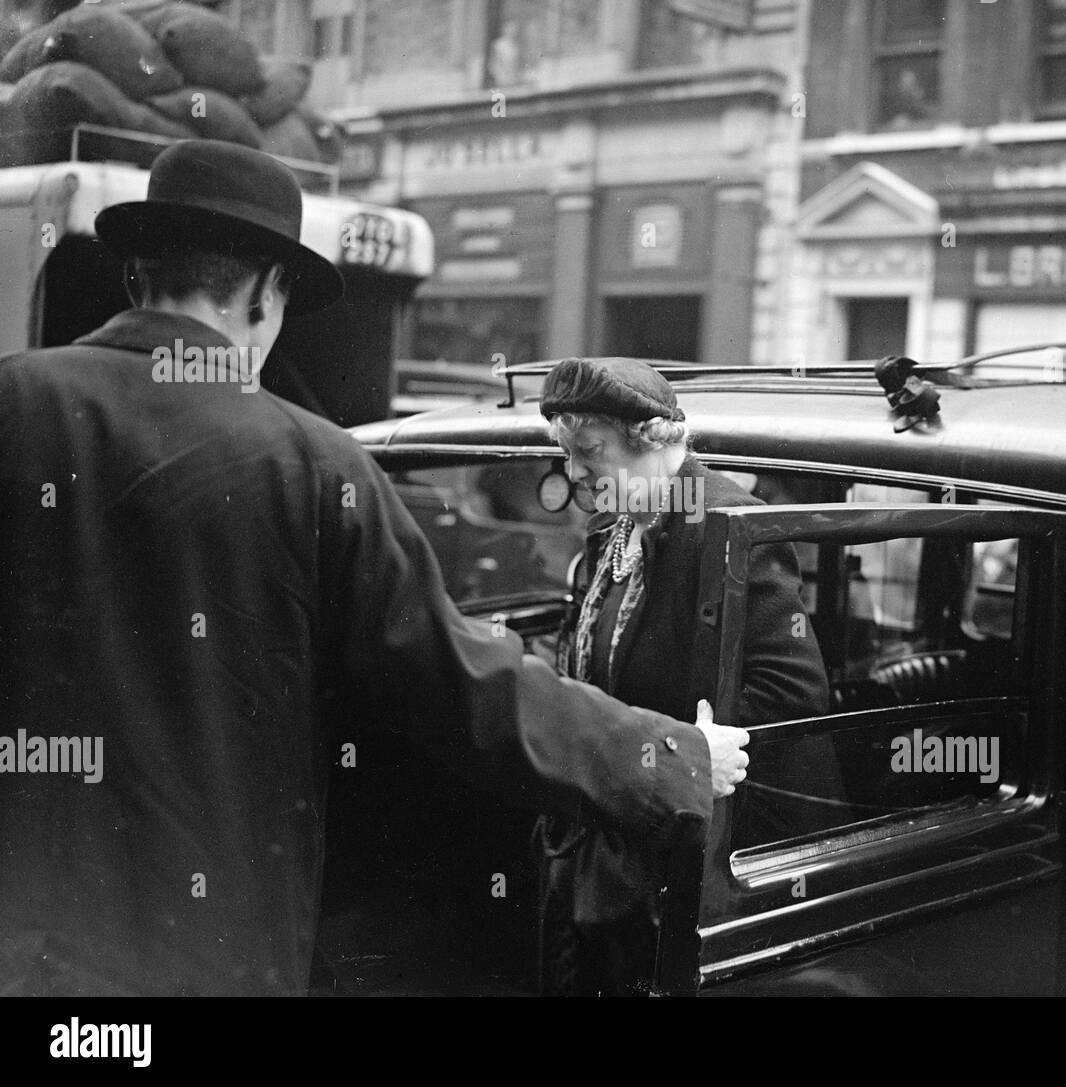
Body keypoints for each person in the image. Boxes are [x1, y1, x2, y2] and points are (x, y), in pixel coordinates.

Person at [0, 141, 749, 997]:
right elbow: (460, 683)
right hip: (207, 957)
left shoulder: (15, 402)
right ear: (265, 294)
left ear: (136, 277)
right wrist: (668, 755)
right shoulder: (312, 465)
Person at [534, 357, 830, 996]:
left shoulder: (731, 528)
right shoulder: (614, 525)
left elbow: (791, 694)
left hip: (700, 850)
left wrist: (677, 758)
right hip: (621, 829)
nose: (575, 473)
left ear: (652, 442)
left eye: (589, 452)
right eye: (567, 454)